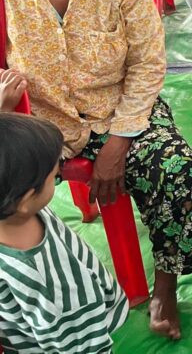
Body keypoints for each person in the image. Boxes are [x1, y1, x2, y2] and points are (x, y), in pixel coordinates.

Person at [0, 0, 192, 339]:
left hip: (120, 112)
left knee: (176, 169)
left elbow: (147, 67)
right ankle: (23, 303)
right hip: (35, 119)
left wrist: (120, 141)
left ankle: (166, 286)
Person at [0, 113, 128, 352]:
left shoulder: (11, 210)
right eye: (55, 177)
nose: (58, 175)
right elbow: (82, 344)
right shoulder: (58, 288)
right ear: (26, 199)